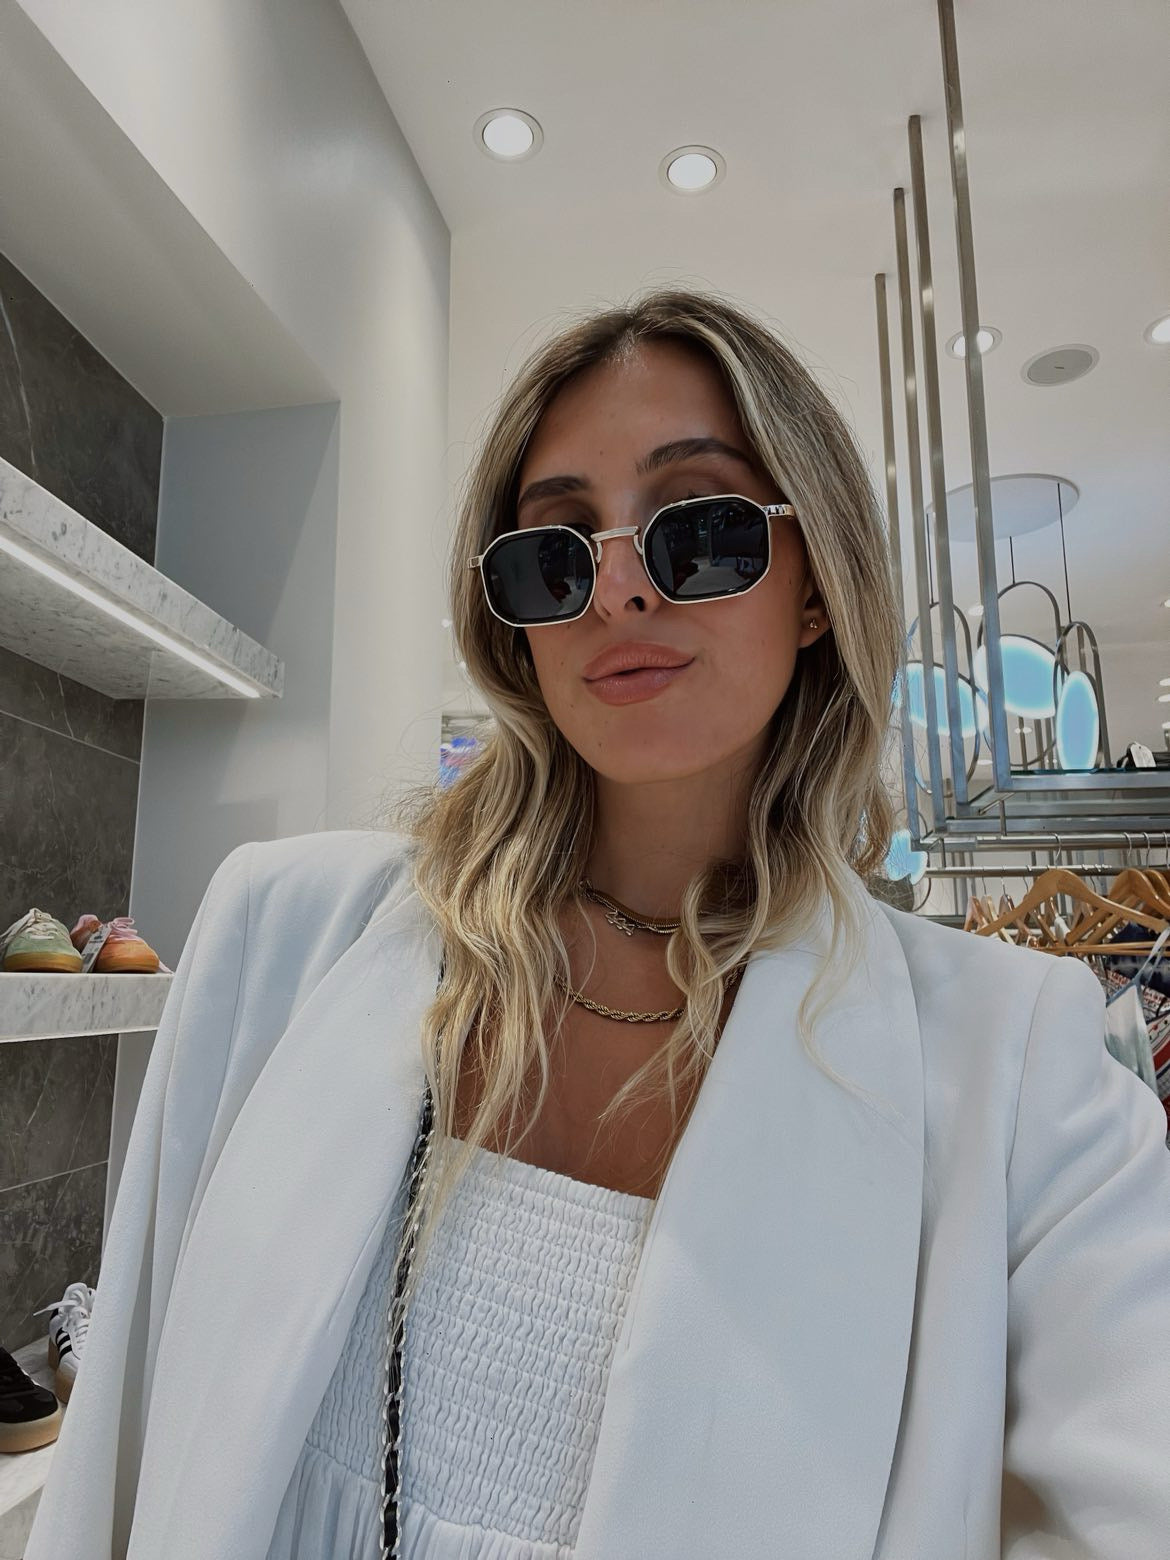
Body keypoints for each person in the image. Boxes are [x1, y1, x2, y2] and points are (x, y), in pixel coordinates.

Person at [25, 288, 1170, 1560]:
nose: (616, 589)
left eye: (701, 529)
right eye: (555, 550)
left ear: (815, 587)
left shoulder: (1016, 1070)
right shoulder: (280, 938)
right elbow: (120, 1449)